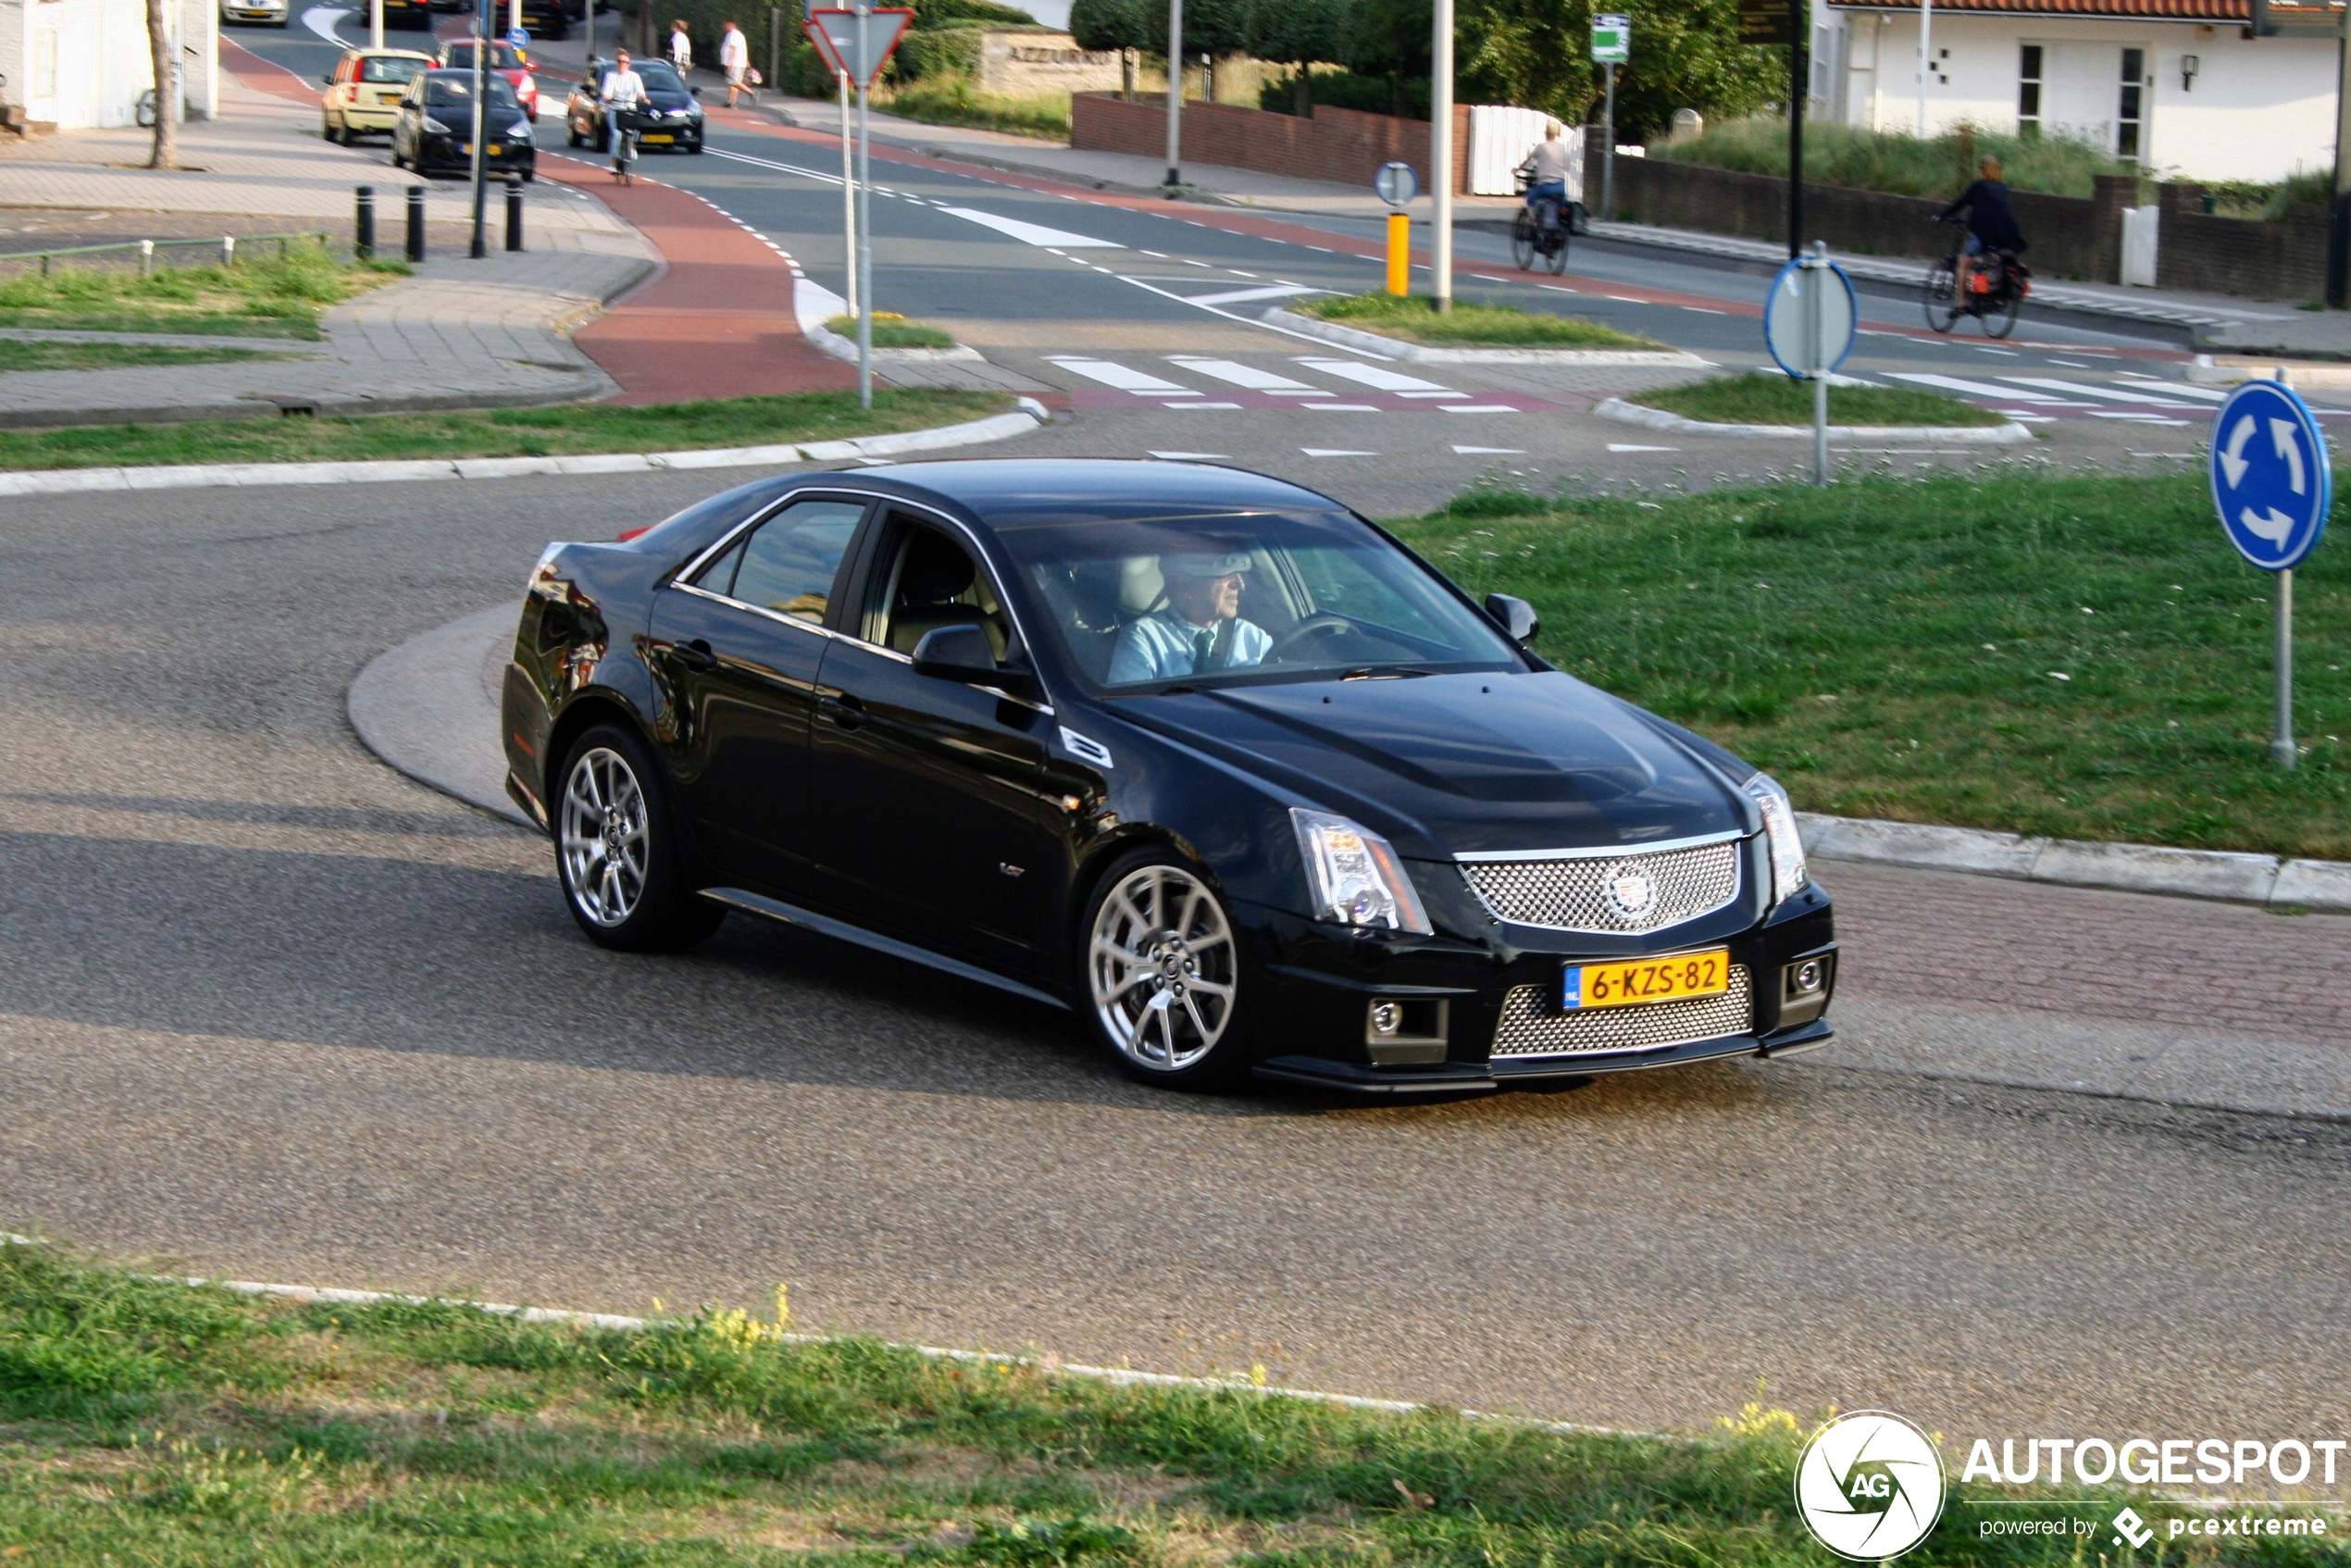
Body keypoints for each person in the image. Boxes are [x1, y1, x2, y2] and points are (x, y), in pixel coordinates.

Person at [1107, 553, 1272, 683]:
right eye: (1225, 574)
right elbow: (1131, 707)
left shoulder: (1253, 637)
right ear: (1184, 584)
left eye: (1240, 575)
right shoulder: (1144, 638)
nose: (1240, 585)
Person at [1939, 155, 2026, 304]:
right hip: (2000, 236)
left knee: (1962, 263)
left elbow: (1962, 203)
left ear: (1983, 170)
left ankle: (1960, 304)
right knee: (1985, 263)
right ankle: (1984, 297)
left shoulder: (1978, 187)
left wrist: (1942, 216)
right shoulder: (2002, 188)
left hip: (1981, 234)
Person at [1515, 120, 1572, 231]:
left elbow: (1529, 159)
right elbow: (1567, 167)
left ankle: (1536, 225)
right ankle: (1560, 230)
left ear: (1546, 133)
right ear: (1557, 134)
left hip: (1545, 186)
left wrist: (1517, 169)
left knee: (1529, 201)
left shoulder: (1541, 147)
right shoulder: (1563, 148)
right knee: (1561, 205)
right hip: (1560, 186)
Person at [720, 19, 753, 106]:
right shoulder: (735, 35)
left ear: (730, 25)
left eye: (726, 25)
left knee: (733, 81)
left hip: (735, 63)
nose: (724, 27)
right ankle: (731, 101)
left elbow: (733, 49)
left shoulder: (733, 35)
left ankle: (751, 93)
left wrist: (730, 62)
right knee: (733, 82)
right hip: (738, 62)